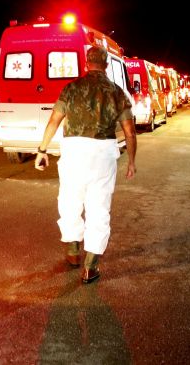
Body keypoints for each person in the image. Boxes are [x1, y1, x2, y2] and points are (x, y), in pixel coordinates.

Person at [34, 46, 137, 284]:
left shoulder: (71, 88)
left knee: (70, 200)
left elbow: (53, 121)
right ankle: (91, 266)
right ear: (107, 64)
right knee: (98, 206)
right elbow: (129, 133)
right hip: (103, 152)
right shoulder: (117, 92)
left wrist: (42, 150)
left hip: (74, 151)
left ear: (85, 63)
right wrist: (131, 161)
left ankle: (72, 253)